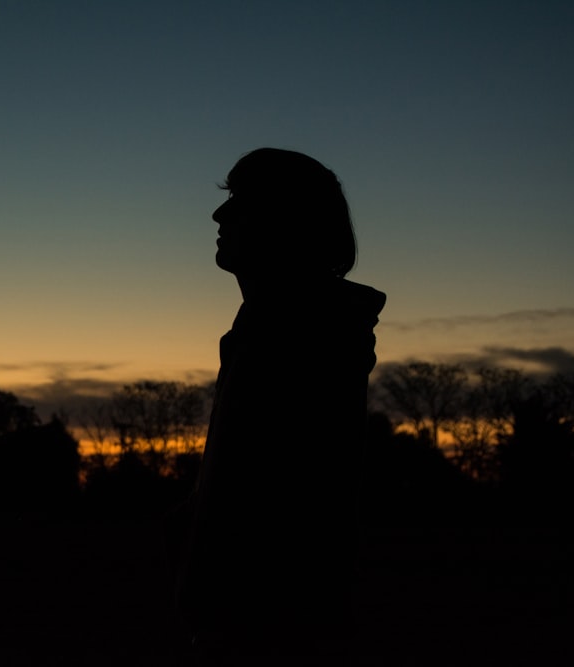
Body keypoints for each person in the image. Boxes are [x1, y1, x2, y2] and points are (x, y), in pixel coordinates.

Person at [175, 148, 386, 664]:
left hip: (267, 634)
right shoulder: (273, 330)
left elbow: (281, 511)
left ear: (286, 221)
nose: (219, 215)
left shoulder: (301, 337)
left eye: (240, 202)